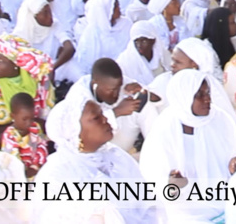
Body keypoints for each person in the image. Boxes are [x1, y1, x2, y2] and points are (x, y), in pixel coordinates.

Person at [32, 92, 157, 223]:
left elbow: (147, 204)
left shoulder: (116, 156)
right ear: (75, 130)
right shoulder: (56, 175)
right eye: (96, 118)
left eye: (102, 114)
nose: (105, 119)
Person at [140, 69, 236, 222]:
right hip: (184, 213)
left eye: (207, 93)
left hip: (226, 204)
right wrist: (172, 186)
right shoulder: (164, 129)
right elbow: (153, 181)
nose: (207, 99)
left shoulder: (221, 120)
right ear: (184, 97)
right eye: (199, 95)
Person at [0, 35, 54, 148]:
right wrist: (11, 133)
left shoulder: (40, 83)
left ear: (17, 65)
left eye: (0, 60)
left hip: (32, 137)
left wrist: (14, 132)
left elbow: (48, 123)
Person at [66, 58, 156, 152]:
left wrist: (142, 91)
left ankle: (156, 150)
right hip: (96, 146)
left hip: (118, 136)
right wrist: (117, 112)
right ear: (95, 85)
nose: (116, 94)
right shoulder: (79, 97)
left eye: (118, 88)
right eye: (111, 90)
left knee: (144, 105)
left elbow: (157, 99)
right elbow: (78, 134)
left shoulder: (115, 81)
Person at [1, 92, 48, 179]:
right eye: (24, 119)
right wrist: (26, 172)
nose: (29, 123)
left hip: (36, 170)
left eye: (32, 118)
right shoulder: (10, 135)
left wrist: (36, 165)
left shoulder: (35, 127)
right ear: (13, 116)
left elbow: (41, 145)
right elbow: (12, 162)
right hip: (19, 177)